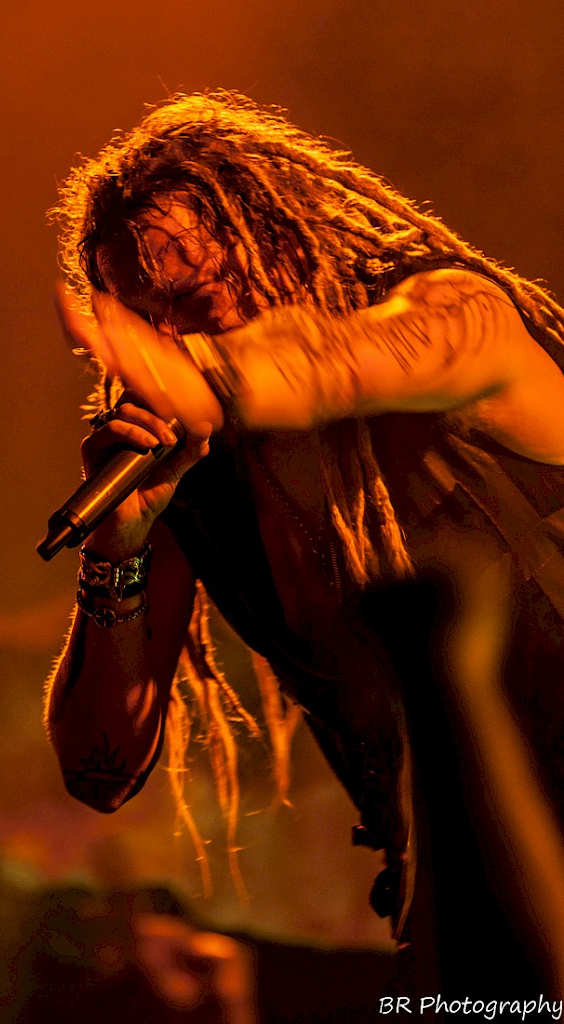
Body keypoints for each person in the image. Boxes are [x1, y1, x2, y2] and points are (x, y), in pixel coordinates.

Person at [44, 90, 564, 1006]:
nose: (177, 332)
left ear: (280, 237)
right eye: (151, 317)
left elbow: (355, 359)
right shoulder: (201, 483)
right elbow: (101, 768)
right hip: (467, 925)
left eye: (197, 293)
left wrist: (208, 375)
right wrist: (118, 551)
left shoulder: (452, 313)